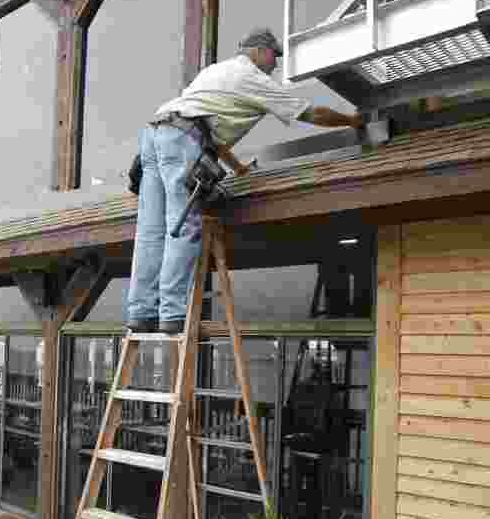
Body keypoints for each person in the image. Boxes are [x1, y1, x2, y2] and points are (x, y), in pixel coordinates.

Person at [125, 28, 365, 334]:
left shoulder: (217, 71)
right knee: (183, 226)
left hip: (156, 134)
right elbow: (311, 113)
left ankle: (140, 312)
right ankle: (171, 314)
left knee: (150, 232)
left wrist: (236, 167)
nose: (275, 64)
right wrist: (352, 121)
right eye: (274, 56)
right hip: (181, 141)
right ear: (260, 51)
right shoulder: (253, 78)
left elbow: (205, 128)